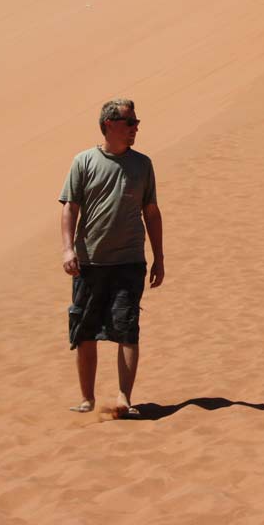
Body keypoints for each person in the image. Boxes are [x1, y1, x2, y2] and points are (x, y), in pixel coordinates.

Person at [59, 98, 164, 418]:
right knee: (84, 330)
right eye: (129, 123)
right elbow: (70, 207)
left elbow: (151, 211)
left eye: (136, 123)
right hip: (90, 263)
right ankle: (87, 399)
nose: (136, 128)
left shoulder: (142, 164)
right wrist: (67, 248)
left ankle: (124, 398)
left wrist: (159, 257)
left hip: (129, 262)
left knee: (127, 328)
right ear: (109, 125)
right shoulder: (84, 161)